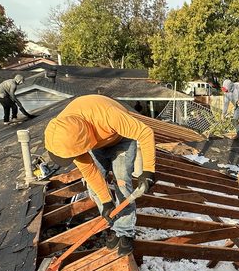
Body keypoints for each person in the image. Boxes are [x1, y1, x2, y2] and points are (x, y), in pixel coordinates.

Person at [43, 95, 157, 256]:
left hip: (121, 140)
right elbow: (90, 171)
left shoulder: (108, 115)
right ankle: (115, 226)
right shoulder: (64, 131)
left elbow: (145, 132)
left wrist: (148, 170)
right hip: (96, 144)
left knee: (122, 184)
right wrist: (106, 202)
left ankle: (125, 232)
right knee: (94, 188)